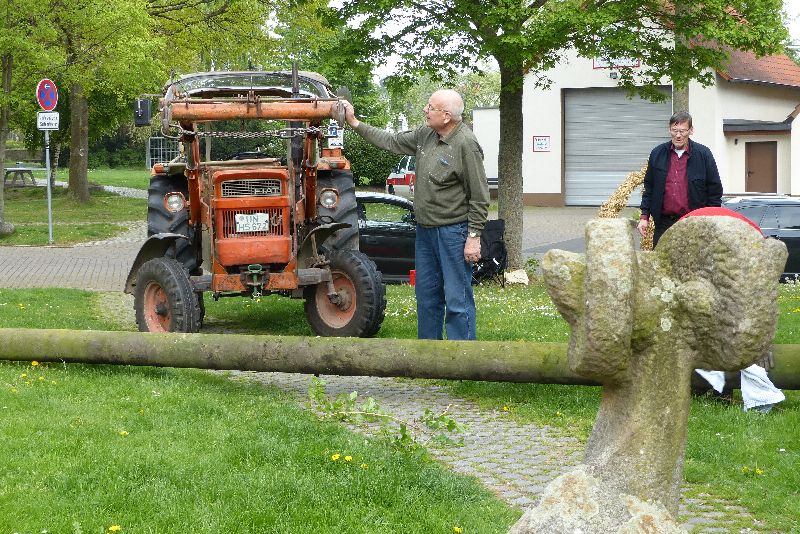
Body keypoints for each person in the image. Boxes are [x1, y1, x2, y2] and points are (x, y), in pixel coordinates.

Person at [336, 90, 490, 340]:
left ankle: (462, 356)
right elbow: (391, 141)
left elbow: (480, 196)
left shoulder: (466, 144)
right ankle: (427, 353)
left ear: (447, 116)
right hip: (425, 230)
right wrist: (354, 122)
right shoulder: (425, 134)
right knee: (426, 295)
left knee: (457, 298)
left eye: (430, 107)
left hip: (453, 232)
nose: (425, 110)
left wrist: (474, 237)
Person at [638, 111, 723, 246]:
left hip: (695, 223)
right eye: (674, 130)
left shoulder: (704, 154)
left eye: (682, 131)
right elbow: (649, 188)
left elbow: (714, 191)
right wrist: (644, 216)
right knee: (661, 258)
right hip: (663, 224)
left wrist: (711, 219)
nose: (678, 135)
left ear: (691, 130)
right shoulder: (657, 154)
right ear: (669, 129)